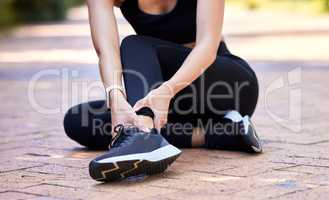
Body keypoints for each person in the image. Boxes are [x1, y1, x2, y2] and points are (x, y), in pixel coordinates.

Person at [64, 0, 262, 182]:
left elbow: (207, 47)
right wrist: (116, 99)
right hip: (167, 102)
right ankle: (222, 133)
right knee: (79, 119)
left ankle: (144, 133)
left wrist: (167, 89)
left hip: (225, 87)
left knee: (134, 44)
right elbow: (107, 51)